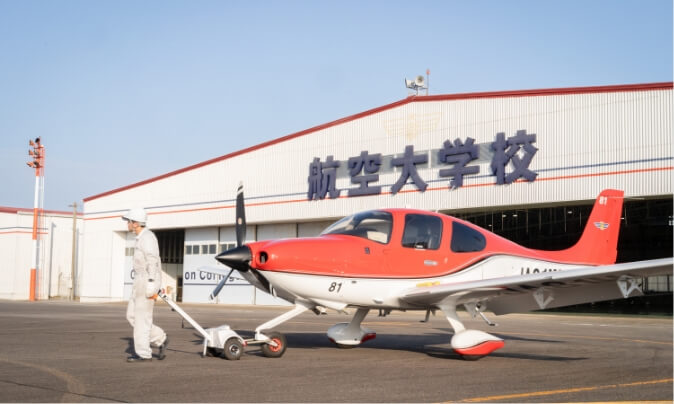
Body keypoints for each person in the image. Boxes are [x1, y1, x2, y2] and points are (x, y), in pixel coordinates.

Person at [123, 208, 169, 362]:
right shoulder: (140, 238)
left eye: (128, 221)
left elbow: (152, 261)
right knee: (131, 316)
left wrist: (151, 283)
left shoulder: (148, 238)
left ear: (135, 223)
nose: (127, 224)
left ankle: (144, 353)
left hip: (147, 280)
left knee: (142, 319)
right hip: (139, 280)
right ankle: (160, 338)